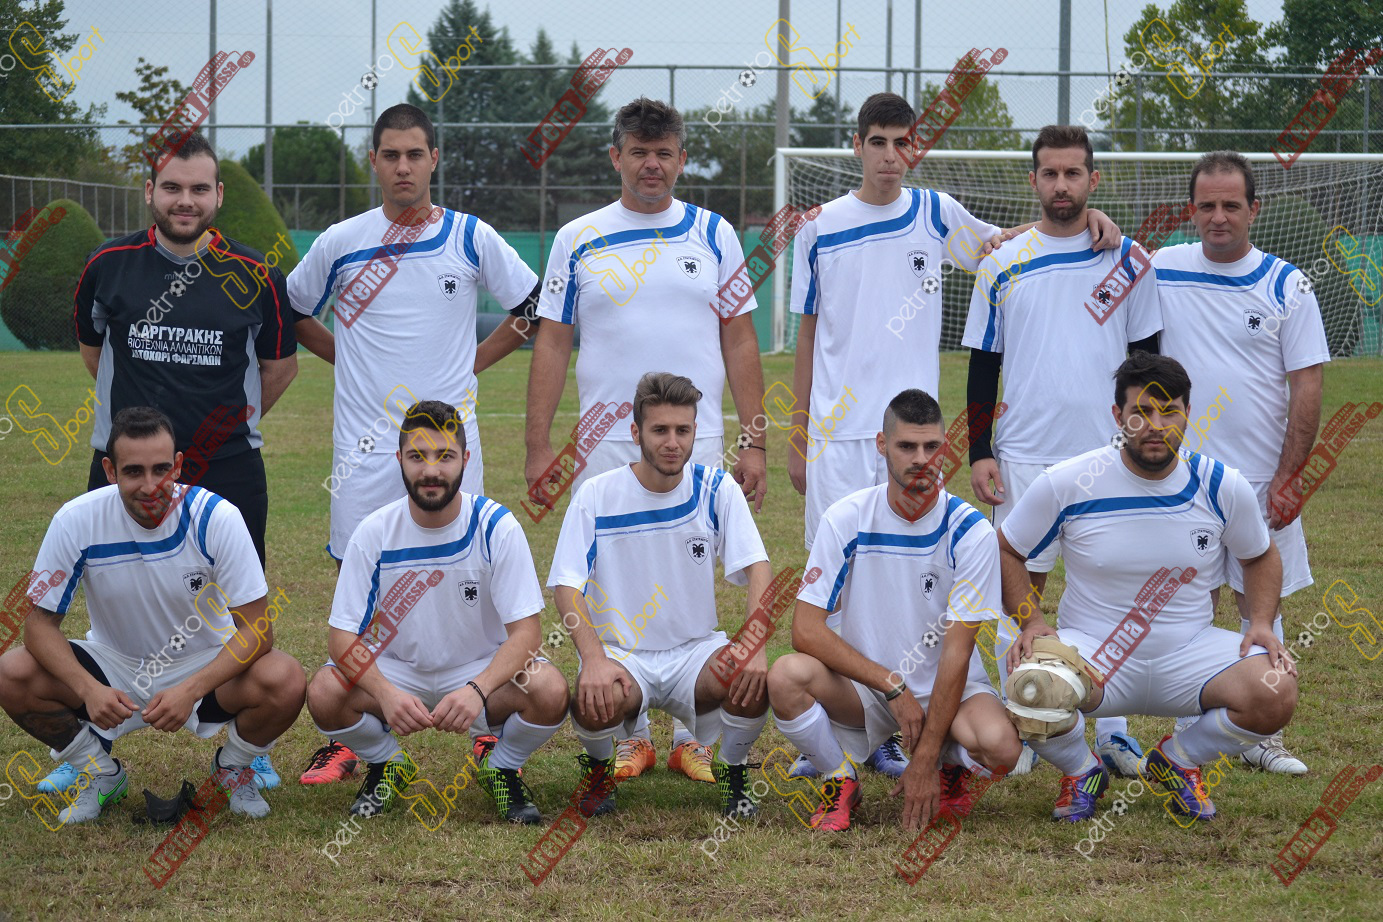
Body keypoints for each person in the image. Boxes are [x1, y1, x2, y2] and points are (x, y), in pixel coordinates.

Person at [785, 94, 1124, 782]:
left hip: (912, 438)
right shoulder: (817, 227)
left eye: (902, 142)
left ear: (915, 148)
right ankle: (851, 734)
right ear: (856, 145)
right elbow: (808, 331)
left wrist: (1093, 219)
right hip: (836, 436)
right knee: (838, 589)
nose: (890, 155)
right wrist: (797, 432)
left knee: (921, 579)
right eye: (877, 141)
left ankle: (932, 711)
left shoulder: (936, 212)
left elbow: (1013, 244)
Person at [288, 103, 541, 785]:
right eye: (391, 155)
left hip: (449, 451)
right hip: (364, 453)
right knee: (361, 594)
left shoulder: (470, 236)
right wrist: (348, 359)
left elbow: (532, 309)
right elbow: (292, 312)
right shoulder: (341, 241)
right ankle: (359, 742)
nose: (403, 166)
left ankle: (484, 723)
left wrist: (470, 367)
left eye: (415, 155)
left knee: (470, 581)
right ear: (373, 161)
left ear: (434, 160)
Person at [526, 97, 768, 786]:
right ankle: (631, 733)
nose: (651, 165)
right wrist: (538, 446)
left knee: (692, 570)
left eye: (664, 153)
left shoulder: (714, 234)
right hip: (604, 440)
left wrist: (752, 440)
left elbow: (739, 338)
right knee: (611, 579)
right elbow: (552, 342)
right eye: (638, 152)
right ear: (616, 157)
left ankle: (694, 733)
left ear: (682, 159)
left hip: (696, 435)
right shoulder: (577, 237)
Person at [71, 131, 296, 792]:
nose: (185, 200)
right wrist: (135, 446)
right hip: (128, 468)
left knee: (238, 608)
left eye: (199, 188)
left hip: (227, 467)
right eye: (172, 187)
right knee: (111, 593)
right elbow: (93, 353)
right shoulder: (108, 265)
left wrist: (224, 430)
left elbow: (279, 367)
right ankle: (92, 739)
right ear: (150, 192)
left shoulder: (255, 274)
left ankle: (247, 747)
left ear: (219, 195)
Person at [999, 354, 1296, 823]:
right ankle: (1081, 772)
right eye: (1141, 412)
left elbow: (1259, 555)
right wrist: (1031, 620)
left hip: (1188, 653)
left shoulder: (1221, 484)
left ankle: (1178, 761)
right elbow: (1007, 549)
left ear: (1188, 413)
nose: (1155, 426)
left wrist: (1260, 622)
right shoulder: (1069, 481)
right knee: (1029, 687)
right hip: (1096, 656)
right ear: (1117, 416)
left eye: (1169, 411)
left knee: (1277, 689)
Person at [961, 124, 1164, 778]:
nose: (1061, 185)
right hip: (1022, 452)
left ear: (1092, 179)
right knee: (1018, 591)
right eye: (1049, 173)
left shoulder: (1127, 260)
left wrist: (1143, 439)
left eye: (1072, 173)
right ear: (1033, 181)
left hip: (1108, 456)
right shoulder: (1000, 262)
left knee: (1111, 593)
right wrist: (980, 450)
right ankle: (1023, 722)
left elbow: (1147, 361)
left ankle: (1114, 731)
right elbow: (983, 364)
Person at [0, 407, 305, 825]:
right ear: (110, 471)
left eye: (161, 469)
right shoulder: (75, 520)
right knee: (11, 673)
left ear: (177, 465)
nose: (150, 486)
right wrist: (89, 689)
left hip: (203, 661)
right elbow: (37, 626)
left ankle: (233, 769)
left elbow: (257, 630)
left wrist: (191, 689)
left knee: (285, 678)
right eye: (133, 471)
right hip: (116, 663)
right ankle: (99, 773)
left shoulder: (216, 517)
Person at [766, 389, 1020, 831]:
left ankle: (948, 765)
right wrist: (891, 685)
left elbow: (957, 651)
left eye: (931, 446)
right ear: (882, 445)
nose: (921, 459)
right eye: (906, 446)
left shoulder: (971, 531)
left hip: (947, 689)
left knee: (1002, 748)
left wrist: (923, 760)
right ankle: (839, 778)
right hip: (867, 689)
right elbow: (805, 630)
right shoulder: (846, 518)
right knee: (785, 677)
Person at [304, 400, 567, 824]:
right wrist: (385, 694)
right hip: (397, 671)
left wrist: (477, 689)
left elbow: (527, 635)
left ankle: (501, 767)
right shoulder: (373, 532)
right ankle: (387, 762)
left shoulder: (496, 527)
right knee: (323, 691)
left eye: (445, 456)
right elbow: (341, 639)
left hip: (479, 670)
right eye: (417, 456)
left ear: (465, 458)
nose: (431, 470)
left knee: (549, 689)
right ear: (399, 460)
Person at [1154, 150, 1327, 775]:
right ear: (1191, 211)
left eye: (1231, 205)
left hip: (1258, 479)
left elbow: (1307, 383)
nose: (1218, 217)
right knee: (1185, 601)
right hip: (1182, 479)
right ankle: (1189, 725)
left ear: (1255, 209)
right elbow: (1088, 249)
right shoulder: (1162, 268)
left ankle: (1260, 735)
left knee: (1260, 605)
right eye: (1207, 206)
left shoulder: (1287, 284)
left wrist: (1289, 475)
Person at [549, 372, 772, 818]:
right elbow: (566, 586)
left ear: (695, 432)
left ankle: (732, 769)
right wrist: (593, 659)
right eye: (660, 430)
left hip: (695, 652)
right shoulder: (597, 494)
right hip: (623, 654)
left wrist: (755, 647)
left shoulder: (716, 488)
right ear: (636, 433)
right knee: (595, 699)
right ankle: (598, 770)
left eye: (683, 430)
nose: (673, 442)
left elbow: (759, 569)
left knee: (750, 681)